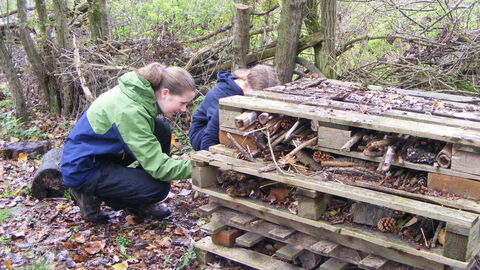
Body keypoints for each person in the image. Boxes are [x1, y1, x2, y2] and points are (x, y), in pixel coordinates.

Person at [61, 63, 196, 223]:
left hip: (103, 153)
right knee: (158, 188)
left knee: (161, 129)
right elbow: (160, 168)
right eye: (182, 103)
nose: (184, 109)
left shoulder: (140, 94)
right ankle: (89, 194)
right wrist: (202, 166)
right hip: (84, 167)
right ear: (165, 93)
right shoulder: (130, 111)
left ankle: (134, 192)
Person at [189, 64, 280, 151]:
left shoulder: (244, 88)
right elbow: (209, 138)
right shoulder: (222, 94)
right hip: (201, 136)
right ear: (246, 85)